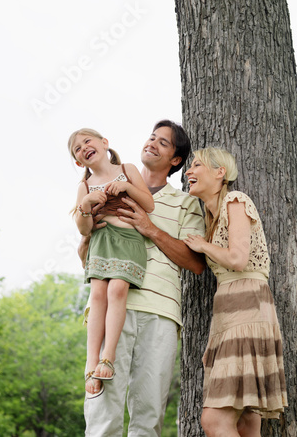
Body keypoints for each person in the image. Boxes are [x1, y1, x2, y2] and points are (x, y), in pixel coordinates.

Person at [80, 120, 206, 436]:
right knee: (102, 410)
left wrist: (149, 228)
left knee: (147, 413)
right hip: (109, 311)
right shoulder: (105, 187)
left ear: (176, 160)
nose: (152, 143)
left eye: (163, 143)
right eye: (151, 137)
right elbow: (89, 259)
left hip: (160, 313)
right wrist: (86, 235)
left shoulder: (186, 203)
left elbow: (196, 263)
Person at [184, 147, 288, 437]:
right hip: (227, 313)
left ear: (220, 173)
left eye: (196, 165)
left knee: (214, 420)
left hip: (248, 306)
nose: (189, 172)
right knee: (244, 422)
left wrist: (203, 245)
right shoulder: (209, 215)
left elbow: (238, 259)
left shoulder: (235, 200)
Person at [68, 128, 154, 399]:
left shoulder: (127, 169)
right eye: (77, 150)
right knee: (98, 294)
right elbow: (84, 230)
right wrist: (85, 204)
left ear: (104, 143)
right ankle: (91, 362)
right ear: (79, 162)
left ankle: (108, 356)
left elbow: (149, 204)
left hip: (128, 240)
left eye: (87, 142)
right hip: (102, 241)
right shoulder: (84, 186)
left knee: (117, 290)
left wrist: (127, 187)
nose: (83, 148)